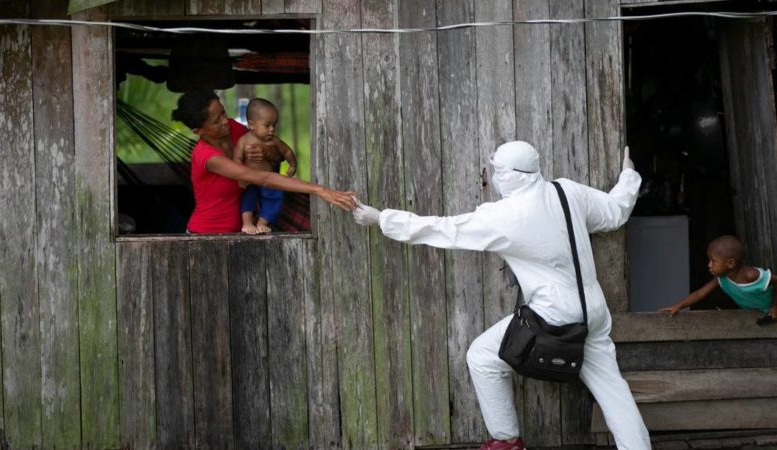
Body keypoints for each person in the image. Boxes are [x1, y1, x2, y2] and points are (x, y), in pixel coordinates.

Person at [353, 141, 651, 450]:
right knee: (613, 391)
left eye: (498, 171)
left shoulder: (507, 215)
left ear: (515, 175)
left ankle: (507, 441)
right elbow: (616, 212)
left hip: (555, 315)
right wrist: (628, 176)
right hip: (594, 310)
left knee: (482, 356)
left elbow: (444, 230)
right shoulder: (567, 192)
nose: (494, 176)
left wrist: (381, 219)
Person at [171, 89, 356, 233]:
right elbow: (262, 178)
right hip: (206, 236)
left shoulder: (234, 129)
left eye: (223, 113)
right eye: (216, 121)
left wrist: (267, 154)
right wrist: (319, 190)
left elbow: (274, 163)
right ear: (199, 131)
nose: (225, 121)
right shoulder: (206, 156)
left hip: (244, 231)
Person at [659, 235, 777, 321]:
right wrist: (678, 306)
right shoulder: (722, 278)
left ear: (730, 263)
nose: (709, 265)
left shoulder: (752, 276)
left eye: (713, 261)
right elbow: (700, 293)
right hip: (757, 314)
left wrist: (774, 306)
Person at [232, 98, 298, 234]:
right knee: (247, 199)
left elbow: (286, 151)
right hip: (250, 180)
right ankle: (247, 223)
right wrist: (240, 177)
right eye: (267, 125)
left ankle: (263, 222)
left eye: (274, 125)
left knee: (274, 198)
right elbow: (237, 159)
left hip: (269, 181)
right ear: (251, 125)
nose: (272, 130)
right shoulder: (243, 141)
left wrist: (292, 165)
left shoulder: (274, 141)